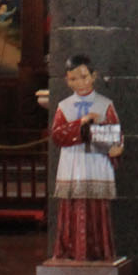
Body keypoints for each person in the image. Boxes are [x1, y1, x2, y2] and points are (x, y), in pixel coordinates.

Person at [49, 54, 125, 261]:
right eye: (73, 79)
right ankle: (69, 251)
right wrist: (81, 123)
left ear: (93, 76)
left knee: (96, 207)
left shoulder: (104, 104)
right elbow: (57, 135)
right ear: (67, 80)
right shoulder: (64, 106)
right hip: (72, 162)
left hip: (96, 163)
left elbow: (116, 134)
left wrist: (117, 146)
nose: (79, 83)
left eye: (83, 77)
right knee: (72, 205)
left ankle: (99, 251)